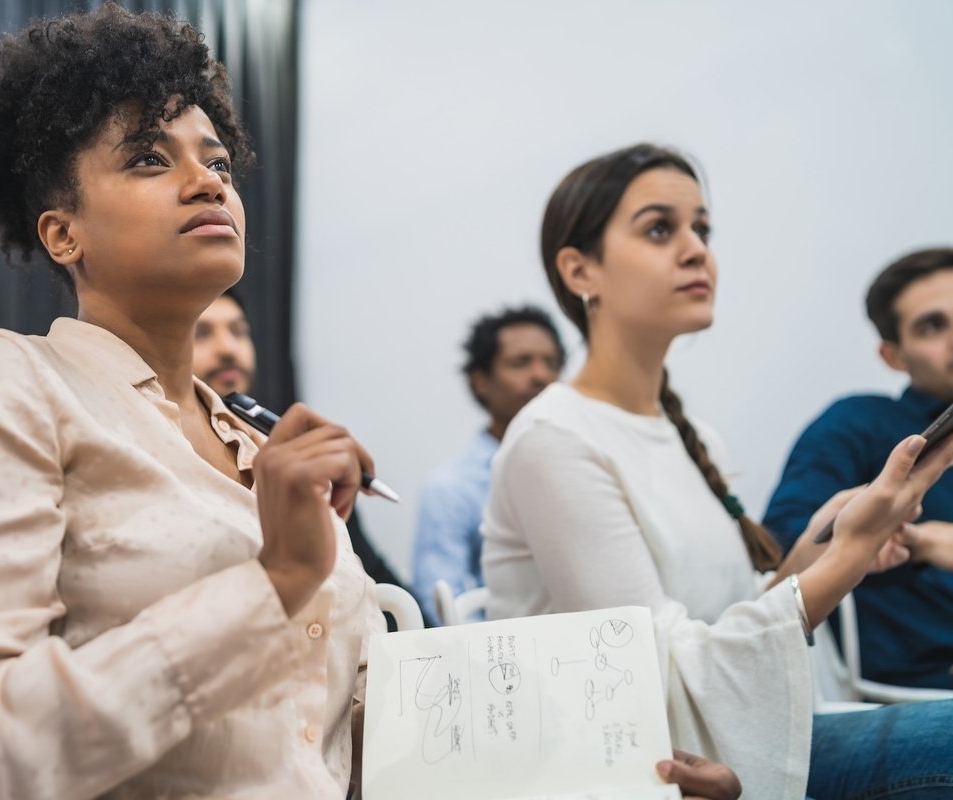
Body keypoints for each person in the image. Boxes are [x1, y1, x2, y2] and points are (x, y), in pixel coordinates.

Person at [0, 7, 385, 798]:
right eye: (147, 158)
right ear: (63, 235)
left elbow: (341, 735)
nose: (208, 179)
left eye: (219, 163)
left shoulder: (258, 443)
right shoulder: (10, 385)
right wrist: (273, 580)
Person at [482, 143, 953, 798]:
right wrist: (847, 556)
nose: (696, 248)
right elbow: (653, 679)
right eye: (659, 229)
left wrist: (827, 536)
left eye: (701, 228)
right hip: (650, 769)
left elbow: (735, 622)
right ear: (579, 270)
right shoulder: (554, 439)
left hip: (725, 743)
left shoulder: (690, 435)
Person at [765, 247, 953, 689]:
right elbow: (788, 546)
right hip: (918, 690)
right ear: (894, 355)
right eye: (932, 326)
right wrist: (917, 539)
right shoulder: (859, 425)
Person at [194, 289, 416, 603]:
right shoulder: (173, 451)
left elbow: (374, 572)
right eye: (201, 334)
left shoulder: (296, 452)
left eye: (239, 332)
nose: (228, 348)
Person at [412, 306, 562, 622]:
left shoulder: (583, 464)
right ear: (481, 381)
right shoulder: (451, 487)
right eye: (521, 363)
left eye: (552, 363)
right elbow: (442, 602)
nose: (541, 375)